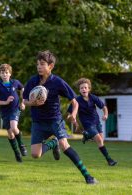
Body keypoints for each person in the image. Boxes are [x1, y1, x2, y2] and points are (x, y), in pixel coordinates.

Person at [23, 50, 97, 184]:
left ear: (50, 66)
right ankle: (53, 143)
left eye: (42, 64)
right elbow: (24, 100)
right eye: (38, 64)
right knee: (35, 154)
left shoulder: (57, 82)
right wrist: (32, 102)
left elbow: (75, 102)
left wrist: (73, 114)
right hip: (38, 122)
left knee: (65, 145)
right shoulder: (33, 81)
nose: (39, 66)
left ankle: (88, 176)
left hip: (54, 120)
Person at [67, 78, 117, 166]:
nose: (84, 89)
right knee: (99, 139)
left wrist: (106, 115)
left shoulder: (93, 97)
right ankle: (109, 160)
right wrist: (71, 118)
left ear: (89, 89)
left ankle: (87, 136)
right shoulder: (77, 100)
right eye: (82, 88)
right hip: (87, 123)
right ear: (79, 90)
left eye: (85, 88)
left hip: (97, 122)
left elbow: (104, 107)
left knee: (101, 140)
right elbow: (69, 113)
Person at [0, 64, 28, 163]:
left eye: (6, 73)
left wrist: (23, 102)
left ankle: (21, 145)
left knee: (14, 127)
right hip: (5, 112)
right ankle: (17, 153)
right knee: (10, 134)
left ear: (10, 74)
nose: (5, 75)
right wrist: (5, 102)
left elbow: (23, 89)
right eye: (2, 73)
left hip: (15, 109)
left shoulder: (15, 82)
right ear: (0, 74)